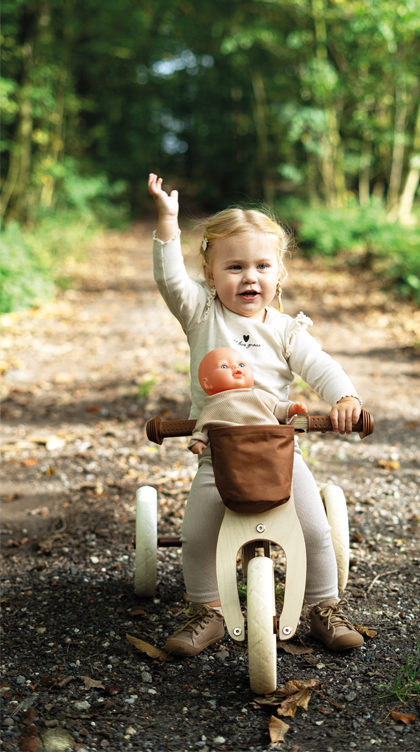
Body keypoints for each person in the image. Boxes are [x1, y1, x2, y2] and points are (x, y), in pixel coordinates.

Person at [148, 173, 365, 656]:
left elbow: (321, 367)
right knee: (199, 532)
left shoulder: (288, 331)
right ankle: (209, 610)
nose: (249, 277)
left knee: (313, 529)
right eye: (235, 267)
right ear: (210, 275)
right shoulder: (202, 315)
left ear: (279, 273)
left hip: (277, 449)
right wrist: (168, 222)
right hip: (219, 452)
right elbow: (168, 278)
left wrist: (344, 397)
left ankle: (322, 606)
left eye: (262, 265)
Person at [188, 346, 307, 455]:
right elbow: (202, 426)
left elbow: (277, 408)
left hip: (268, 443)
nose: (235, 367)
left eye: (241, 365)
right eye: (224, 366)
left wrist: (292, 409)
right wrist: (198, 441)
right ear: (207, 384)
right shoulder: (213, 406)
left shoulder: (258, 395)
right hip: (233, 451)